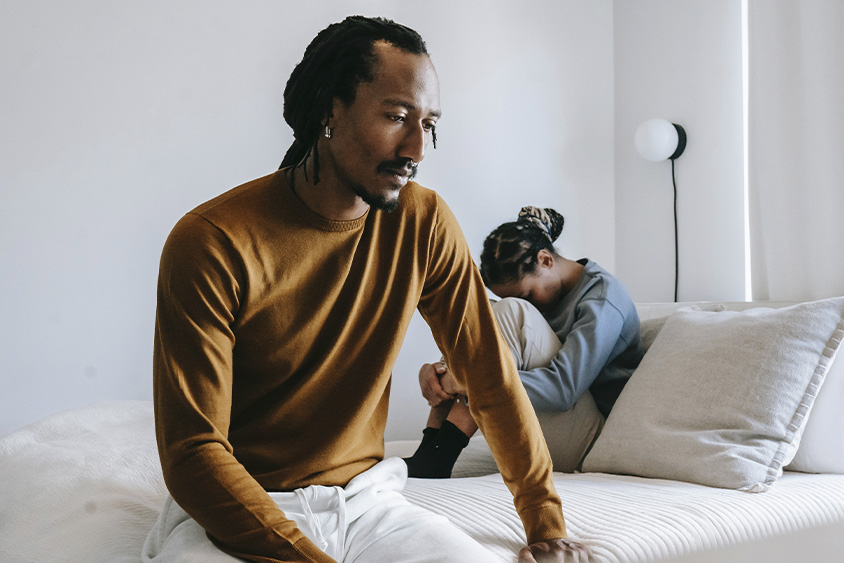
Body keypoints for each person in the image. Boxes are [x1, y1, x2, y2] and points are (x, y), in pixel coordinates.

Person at [142, 15, 589, 563]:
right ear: (331, 111)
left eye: (428, 124)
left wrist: (544, 519)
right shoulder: (212, 241)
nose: (417, 148)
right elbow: (194, 452)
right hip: (237, 513)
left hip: (365, 505)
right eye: (397, 117)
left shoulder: (423, 221)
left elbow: (489, 375)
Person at [405, 206, 644, 478]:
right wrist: (440, 371)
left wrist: (475, 381)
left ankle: (440, 454)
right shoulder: (547, 290)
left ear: (545, 260)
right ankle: (430, 451)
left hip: (590, 440)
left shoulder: (603, 298)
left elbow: (563, 389)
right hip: (547, 426)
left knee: (509, 313)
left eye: (527, 295)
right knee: (490, 313)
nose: (527, 302)